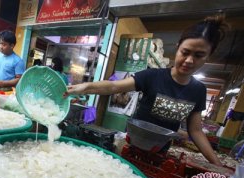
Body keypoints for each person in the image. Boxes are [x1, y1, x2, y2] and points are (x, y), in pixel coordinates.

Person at [65, 15, 229, 166]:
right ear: (178, 47)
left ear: (208, 56)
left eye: (199, 55)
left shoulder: (198, 90)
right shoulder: (153, 76)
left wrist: (217, 164)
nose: (189, 60)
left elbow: (196, 130)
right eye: (185, 52)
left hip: (161, 152)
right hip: (131, 146)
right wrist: (84, 87)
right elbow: (114, 86)